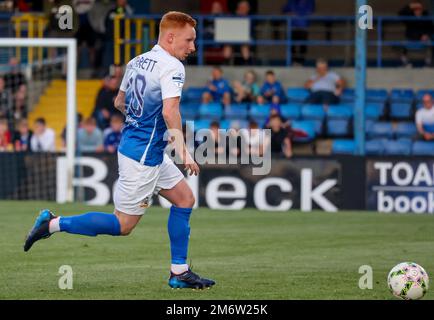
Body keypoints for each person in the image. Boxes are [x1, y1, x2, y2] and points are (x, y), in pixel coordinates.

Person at [24, 11, 215, 290]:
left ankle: (179, 272)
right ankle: (53, 224)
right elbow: (170, 110)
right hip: (143, 157)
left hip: (140, 148)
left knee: (185, 199)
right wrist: (184, 152)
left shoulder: (136, 61)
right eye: (189, 40)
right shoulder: (172, 66)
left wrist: (140, 121)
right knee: (122, 225)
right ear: (170, 37)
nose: (192, 47)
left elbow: (119, 101)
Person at [398, 1, 434, 67]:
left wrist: (427, 35)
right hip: (411, 39)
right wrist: (410, 5)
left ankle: (428, 64)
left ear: (422, 9)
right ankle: (406, 64)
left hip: (422, 40)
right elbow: (400, 13)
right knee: (399, 44)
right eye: (415, 9)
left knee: (430, 43)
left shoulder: (426, 17)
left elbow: (431, 29)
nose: (417, 11)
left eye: (419, 9)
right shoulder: (410, 17)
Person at [282, 0, 315, 65]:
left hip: (303, 28)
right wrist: (290, 13)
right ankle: (293, 61)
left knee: (303, 46)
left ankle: (301, 62)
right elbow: (284, 11)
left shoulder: (309, 2)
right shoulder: (291, 2)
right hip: (292, 27)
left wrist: (297, 15)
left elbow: (309, 12)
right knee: (291, 46)